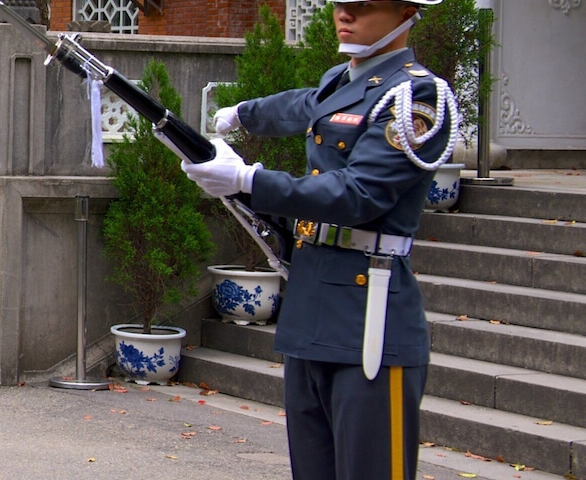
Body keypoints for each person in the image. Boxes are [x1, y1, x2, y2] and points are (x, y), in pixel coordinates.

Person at [187, 1, 453, 478]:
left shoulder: (417, 96)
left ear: (406, 12)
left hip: (366, 311)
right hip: (312, 307)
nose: (344, 16)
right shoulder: (343, 81)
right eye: (341, 5)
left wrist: (250, 181)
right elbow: (303, 105)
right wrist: (244, 113)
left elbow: (360, 194)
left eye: (362, 6)